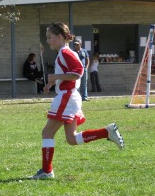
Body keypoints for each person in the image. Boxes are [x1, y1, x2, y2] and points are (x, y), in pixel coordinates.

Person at [29, 22, 124, 179]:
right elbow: (68, 74)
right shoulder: (64, 53)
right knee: (72, 139)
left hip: (67, 96)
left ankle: (46, 171)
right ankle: (106, 132)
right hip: (70, 96)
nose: (47, 40)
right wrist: (50, 84)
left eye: (49, 37)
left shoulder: (66, 53)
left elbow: (78, 72)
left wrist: (55, 77)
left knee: (47, 132)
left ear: (59, 37)